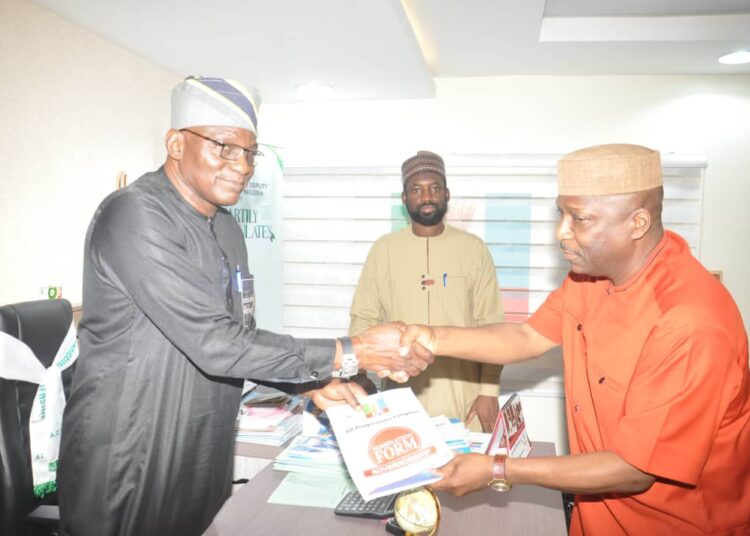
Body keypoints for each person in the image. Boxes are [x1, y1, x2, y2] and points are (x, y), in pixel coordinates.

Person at [57, 76, 432, 536]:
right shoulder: (135, 214)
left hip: (201, 456)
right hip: (128, 457)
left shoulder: (228, 229)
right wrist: (353, 352)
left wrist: (308, 387)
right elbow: (216, 343)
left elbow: (239, 337)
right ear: (175, 144)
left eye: (250, 153)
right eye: (224, 147)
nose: (243, 166)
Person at [401, 144, 750, 534]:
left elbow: (634, 468)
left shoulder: (690, 322)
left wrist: (497, 469)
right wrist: (426, 336)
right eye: (561, 213)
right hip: (595, 518)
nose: (560, 232)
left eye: (579, 218)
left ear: (637, 223)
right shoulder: (590, 276)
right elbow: (524, 337)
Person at [349, 150, 504, 432]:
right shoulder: (384, 249)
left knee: (467, 471)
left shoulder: (473, 249)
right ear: (404, 199)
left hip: (465, 394)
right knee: (407, 469)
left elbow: (491, 325)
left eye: (434, 188)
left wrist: (488, 392)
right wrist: (357, 374)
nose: (427, 197)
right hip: (401, 393)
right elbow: (364, 317)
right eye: (417, 190)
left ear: (446, 194)